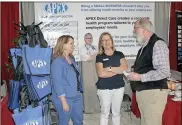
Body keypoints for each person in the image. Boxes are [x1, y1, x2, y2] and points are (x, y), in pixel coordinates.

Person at [127, 18, 170, 125]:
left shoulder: (158, 44)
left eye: (135, 29)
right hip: (146, 93)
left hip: (153, 94)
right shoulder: (144, 47)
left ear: (142, 29)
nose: (134, 32)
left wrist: (140, 77)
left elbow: (164, 71)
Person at [95, 32, 128, 125]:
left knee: (116, 113)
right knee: (105, 114)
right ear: (101, 43)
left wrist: (109, 69)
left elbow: (125, 69)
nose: (106, 42)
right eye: (104, 40)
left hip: (119, 88)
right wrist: (118, 70)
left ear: (112, 41)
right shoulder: (99, 56)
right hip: (104, 89)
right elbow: (101, 73)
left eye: (108, 39)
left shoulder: (119, 54)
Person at [51, 35, 83, 125]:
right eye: (71, 43)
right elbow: (57, 82)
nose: (73, 45)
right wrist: (63, 101)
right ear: (63, 45)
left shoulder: (71, 59)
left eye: (73, 43)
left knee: (78, 121)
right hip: (65, 97)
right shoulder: (57, 61)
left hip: (76, 94)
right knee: (64, 122)